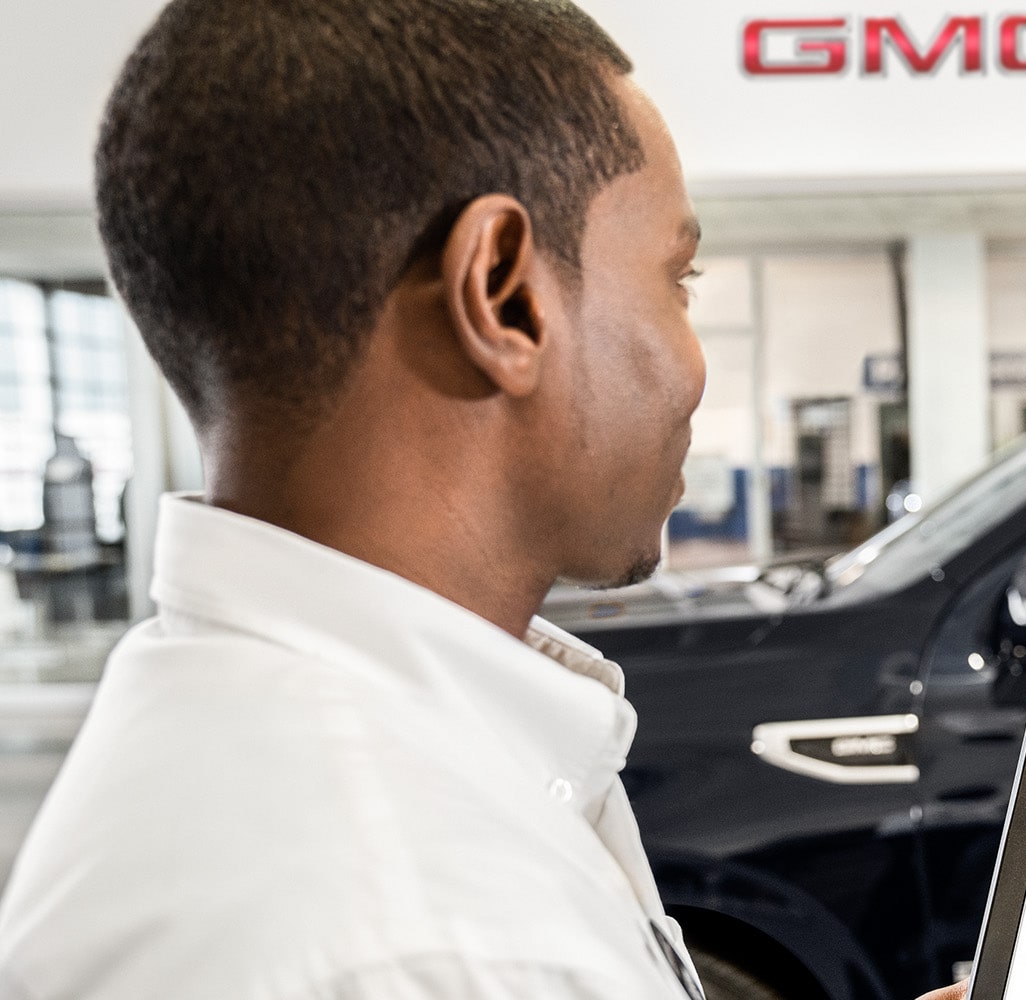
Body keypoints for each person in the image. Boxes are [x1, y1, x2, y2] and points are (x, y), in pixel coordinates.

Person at [0, 2, 970, 999]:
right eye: (678, 280)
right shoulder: (447, 942)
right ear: (503, 294)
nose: (692, 369)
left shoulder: (212, 715)